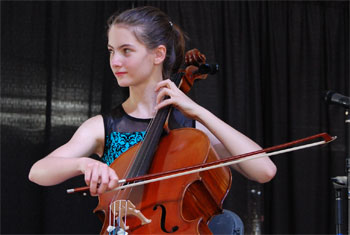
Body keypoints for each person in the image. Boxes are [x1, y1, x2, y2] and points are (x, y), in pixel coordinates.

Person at [29, 6, 277, 234]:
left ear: (158, 54)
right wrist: (84, 165)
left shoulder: (192, 130)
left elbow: (264, 170)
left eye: (126, 51)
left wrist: (200, 113)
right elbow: (38, 172)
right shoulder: (103, 126)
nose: (115, 61)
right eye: (111, 51)